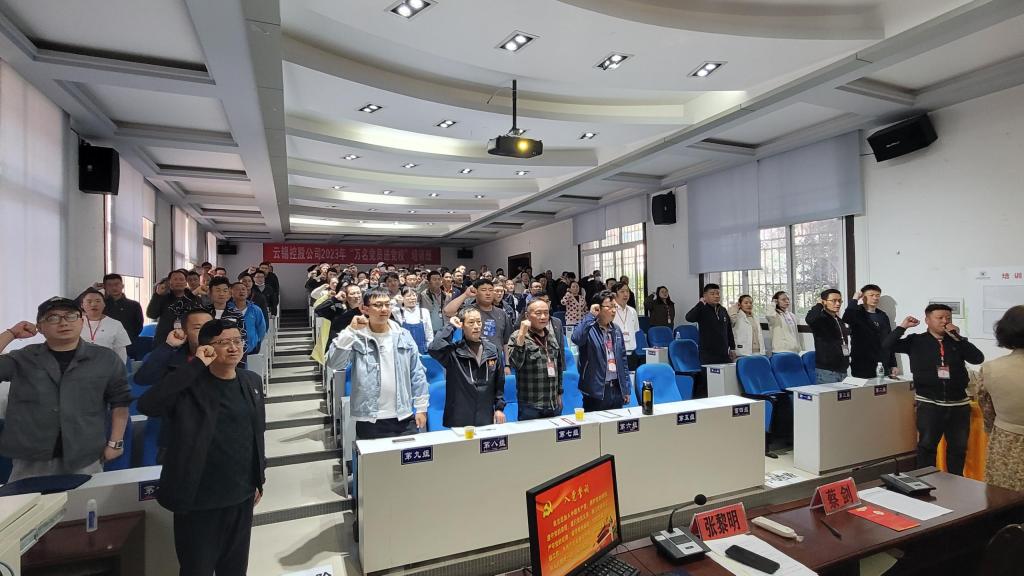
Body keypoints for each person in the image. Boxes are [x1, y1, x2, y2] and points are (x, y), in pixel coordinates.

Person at [138, 319, 266, 576]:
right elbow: (148, 405)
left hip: (240, 495)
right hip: (198, 499)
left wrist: (258, 478)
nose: (233, 347)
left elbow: (256, 434)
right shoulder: (189, 385)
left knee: (235, 568)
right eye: (224, 342)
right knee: (197, 568)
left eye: (237, 341)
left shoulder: (251, 381)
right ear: (206, 348)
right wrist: (196, 365)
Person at [0, 297, 131, 482]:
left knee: (84, 501)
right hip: (30, 458)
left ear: (81, 321)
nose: (63, 323)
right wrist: (11, 333)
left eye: (70, 316)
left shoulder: (105, 358)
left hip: (85, 455)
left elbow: (120, 402)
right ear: (40, 327)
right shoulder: (24, 358)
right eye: (53, 318)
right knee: (29, 502)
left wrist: (115, 443)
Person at [883, 304, 984, 475]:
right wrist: (902, 327)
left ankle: (955, 483)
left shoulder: (957, 341)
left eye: (948, 318)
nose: (945, 321)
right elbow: (887, 345)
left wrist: (959, 338)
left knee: (958, 449)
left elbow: (977, 358)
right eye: (940, 318)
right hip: (929, 403)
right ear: (927, 320)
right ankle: (925, 481)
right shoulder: (916, 341)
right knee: (927, 447)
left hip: (958, 404)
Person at [326, 288, 428, 439]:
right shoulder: (357, 337)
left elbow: (417, 372)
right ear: (365, 309)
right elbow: (334, 363)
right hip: (369, 417)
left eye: (387, 304)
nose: (384, 309)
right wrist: (350, 331)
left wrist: (421, 408)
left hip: (404, 415)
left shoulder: (403, 335)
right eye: (378, 305)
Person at [135, 307, 214, 463]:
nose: (205, 332)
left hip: (214, 440)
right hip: (176, 441)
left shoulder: (224, 358)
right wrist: (168, 346)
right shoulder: (170, 357)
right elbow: (143, 378)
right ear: (184, 332)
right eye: (197, 328)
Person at [429, 309, 506, 427]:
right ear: (462, 325)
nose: (476, 326)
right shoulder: (453, 352)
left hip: (485, 415)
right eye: (471, 322)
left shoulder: (493, 350)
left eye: (479, 322)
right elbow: (434, 348)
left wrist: (499, 408)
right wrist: (450, 326)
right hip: (459, 417)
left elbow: (499, 382)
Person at [978, 305, 1024, 491]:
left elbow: (986, 409)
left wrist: (992, 429)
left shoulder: (991, 368)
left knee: (1005, 498)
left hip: (1006, 444)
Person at [573, 292, 632, 411]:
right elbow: (577, 338)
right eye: (609, 307)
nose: (613, 310)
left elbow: (623, 360)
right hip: (595, 391)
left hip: (616, 389)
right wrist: (590, 316)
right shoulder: (588, 328)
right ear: (598, 308)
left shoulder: (616, 329)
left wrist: (626, 388)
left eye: (614, 306)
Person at [508, 299, 564, 420]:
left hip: (553, 402)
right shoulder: (517, 336)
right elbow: (515, 364)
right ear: (527, 316)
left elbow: (558, 366)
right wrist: (521, 335)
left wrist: (559, 393)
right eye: (538, 313)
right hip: (530, 405)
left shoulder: (551, 336)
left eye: (546, 313)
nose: (543, 317)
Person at [685, 283, 735, 398]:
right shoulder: (702, 309)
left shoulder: (722, 310)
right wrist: (700, 304)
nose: (716, 296)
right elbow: (689, 318)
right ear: (705, 296)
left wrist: (732, 348)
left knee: (725, 382)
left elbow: (729, 330)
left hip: (724, 353)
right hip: (708, 354)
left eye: (718, 293)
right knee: (707, 383)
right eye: (712, 294)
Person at [444, 279, 512, 358]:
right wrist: (465, 294)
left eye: (490, 290)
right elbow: (447, 311)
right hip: (472, 359)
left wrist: (507, 362)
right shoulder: (468, 311)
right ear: (476, 292)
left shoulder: (502, 313)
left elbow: (506, 342)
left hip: (496, 360)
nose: (488, 293)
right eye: (483, 290)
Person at [843, 284, 898, 378]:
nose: (875, 298)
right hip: (862, 364)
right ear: (863, 297)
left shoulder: (883, 315)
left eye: (877, 295)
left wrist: (893, 364)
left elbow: (889, 340)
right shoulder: (856, 312)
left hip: (882, 364)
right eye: (871, 295)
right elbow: (846, 318)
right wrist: (855, 299)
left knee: (882, 387)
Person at [805, 289, 851, 384]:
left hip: (842, 369)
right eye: (834, 301)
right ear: (824, 302)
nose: (838, 304)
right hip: (827, 371)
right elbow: (810, 319)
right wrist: (819, 305)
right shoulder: (820, 319)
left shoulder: (838, 320)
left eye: (840, 301)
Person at [78, 288, 132, 362]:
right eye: (89, 301)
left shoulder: (115, 324)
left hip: (107, 365)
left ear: (104, 304)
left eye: (98, 301)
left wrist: (119, 368)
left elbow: (120, 352)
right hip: (80, 365)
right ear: (82, 305)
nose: (93, 304)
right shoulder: (75, 323)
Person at [147, 269, 199, 347]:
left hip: (186, 341)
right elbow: (151, 315)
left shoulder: (194, 299)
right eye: (175, 279)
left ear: (186, 282)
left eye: (181, 279)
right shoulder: (162, 297)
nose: (178, 282)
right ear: (170, 282)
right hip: (163, 340)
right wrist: (157, 295)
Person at [101, 273, 144, 351]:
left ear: (122, 285)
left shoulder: (134, 305)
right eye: (109, 285)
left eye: (116, 284)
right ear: (104, 287)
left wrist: (129, 337)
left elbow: (138, 326)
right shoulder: (100, 305)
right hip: (105, 344)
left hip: (128, 344)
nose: (114, 287)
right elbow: (79, 306)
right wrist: (92, 289)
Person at [226, 282, 267, 355]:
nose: (241, 291)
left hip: (252, 348)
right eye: (238, 289)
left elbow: (261, 328)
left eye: (243, 289)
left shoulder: (255, 309)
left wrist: (256, 341)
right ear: (231, 293)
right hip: (231, 349)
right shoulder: (227, 309)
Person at [392, 287, 433, 354]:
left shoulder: (424, 311)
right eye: (408, 296)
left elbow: (429, 332)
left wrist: (429, 349)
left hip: (422, 349)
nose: (412, 298)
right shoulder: (398, 312)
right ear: (402, 298)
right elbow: (388, 308)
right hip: (405, 350)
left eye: (414, 295)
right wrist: (395, 300)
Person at [611, 282, 640, 369]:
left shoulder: (632, 311)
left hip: (632, 353)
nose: (626, 294)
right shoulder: (610, 310)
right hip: (615, 354)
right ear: (614, 294)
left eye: (627, 291)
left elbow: (635, 330)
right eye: (622, 291)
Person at [420, 270, 446, 335]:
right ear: (429, 282)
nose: (437, 281)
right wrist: (421, 285)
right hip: (428, 330)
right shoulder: (423, 295)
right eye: (434, 279)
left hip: (443, 330)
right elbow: (414, 294)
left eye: (439, 279)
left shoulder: (446, 295)